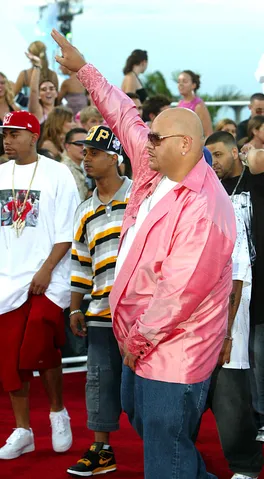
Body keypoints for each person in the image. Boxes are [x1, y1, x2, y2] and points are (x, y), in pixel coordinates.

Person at [51, 28, 236, 479]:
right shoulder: (157, 167)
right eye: (148, 137)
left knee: (164, 455)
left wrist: (132, 345)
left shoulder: (206, 209)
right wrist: (83, 70)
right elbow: (123, 113)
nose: (144, 142)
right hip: (136, 340)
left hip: (172, 351)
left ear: (185, 145)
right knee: (145, 420)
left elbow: (177, 294)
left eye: (155, 138)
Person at [0, 110, 79, 460]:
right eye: (5, 134)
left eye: (14, 134)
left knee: (41, 345)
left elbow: (68, 231)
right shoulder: (0, 174)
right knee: (10, 358)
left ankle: (58, 412)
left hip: (49, 278)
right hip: (6, 280)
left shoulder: (58, 174)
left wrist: (46, 270)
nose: (7, 140)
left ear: (33, 136)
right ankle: (23, 430)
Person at [205, 131, 264, 443]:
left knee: (263, 355)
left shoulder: (257, 180)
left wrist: (251, 152)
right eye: (208, 156)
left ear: (235, 152)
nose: (214, 162)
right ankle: (245, 416)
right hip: (227, 284)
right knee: (237, 355)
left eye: (219, 154)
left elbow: (263, 159)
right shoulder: (211, 189)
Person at [66, 126, 132, 476]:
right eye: (84, 152)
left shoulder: (141, 197)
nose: (86, 158)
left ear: (115, 157)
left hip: (142, 315)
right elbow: (80, 262)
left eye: (94, 152)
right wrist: (76, 306)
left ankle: (167, 442)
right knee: (98, 380)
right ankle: (101, 449)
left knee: (145, 387)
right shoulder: (85, 209)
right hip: (100, 311)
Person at [196, 197, 264, 479]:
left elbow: (237, 274)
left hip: (225, 324)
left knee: (230, 398)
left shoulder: (224, 207)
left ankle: (245, 468)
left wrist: (225, 334)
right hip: (186, 328)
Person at [177, 70, 213, 137]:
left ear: (193, 85)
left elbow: (208, 133)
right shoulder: (179, 104)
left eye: (184, 81)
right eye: (178, 82)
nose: (180, 84)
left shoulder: (199, 106)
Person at [26, 52, 57, 124]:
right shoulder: (38, 111)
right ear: (39, 95)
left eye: (51, 88)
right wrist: (37, 66)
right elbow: (33, 91)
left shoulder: (61, 112)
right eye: (44, 89)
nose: (48, 91)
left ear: (56, 93)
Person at [61, 127, 88, 201]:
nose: (83, 147)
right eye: (79, 144)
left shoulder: (79, 167)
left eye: (86, 144)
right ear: (67, 146)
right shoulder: (65, 169)